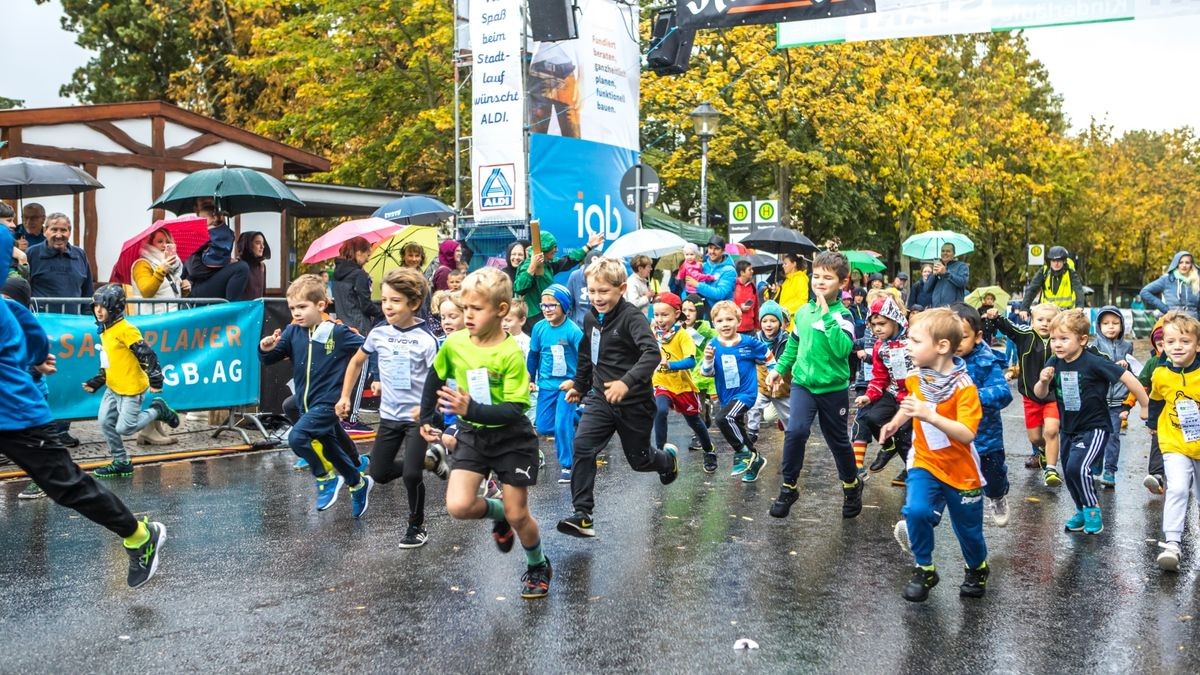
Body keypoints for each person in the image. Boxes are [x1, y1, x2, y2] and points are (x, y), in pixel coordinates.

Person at [0, 224, 165, 587]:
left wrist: (34, 360)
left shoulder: (5, 307)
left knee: (66, 485)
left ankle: (139, 535)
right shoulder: (8, 306)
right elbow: (34, 335)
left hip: (16, 415)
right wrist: (37, 358)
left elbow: (32, 332)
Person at [417, 267, 552, 599]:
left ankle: (538, 564)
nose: (468, 316)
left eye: (476, 309)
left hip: (511, 438)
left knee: (519, 512)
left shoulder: (509, 353)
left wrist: (469, 409)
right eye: (465, 308)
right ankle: (498, 512)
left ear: (501, 311)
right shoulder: (455, 341)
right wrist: (424, 416)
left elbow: (514, 408)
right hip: (474, 435)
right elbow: (436, 375)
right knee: (459, 506)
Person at [558, 257, 680, 538]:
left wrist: (626, 383)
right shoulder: (590, 318)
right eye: (592, 291)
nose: (597, 298)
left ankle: (666, 460)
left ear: (622, 288)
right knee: (583, 446)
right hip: (601, 398)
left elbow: (652, 353)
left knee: (640, 461)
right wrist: (579, 385)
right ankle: (582, 514)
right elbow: (588, 355)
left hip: (634, 402)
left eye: (604, 292)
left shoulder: (632, 317)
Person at [880, 308, 988, 603]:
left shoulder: (964, 388)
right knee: (915, 511)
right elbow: (910, 404)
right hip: (925, 461)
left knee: (969, 531)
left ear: (941, 347)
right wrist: (895, 422)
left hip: (961, 470)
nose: (907, 346)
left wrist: (929, 415)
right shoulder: (917, 377)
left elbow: (967, 433)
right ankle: (924, 567)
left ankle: (977, 568)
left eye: (915, 341)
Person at [337, 268, 440, 546]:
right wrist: (345, 396)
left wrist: (430, 415)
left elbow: (438, 381)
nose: (387, 307)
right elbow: (357, 361)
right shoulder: (379, 332)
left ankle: (417, 526)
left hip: (417, 418)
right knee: (379, 473)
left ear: (414, 304)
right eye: (384, 300)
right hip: (390, 417)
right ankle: (429, 461)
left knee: (410, 474)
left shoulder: (426, 340)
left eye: (395, 301)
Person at [259, 274, 373, 516]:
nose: (296, 313)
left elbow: (367, 347)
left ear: (321, 305)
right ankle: (357, 482)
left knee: (297, 438)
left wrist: (348, 391)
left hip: (328, 403)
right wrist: (265, 347)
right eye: (292, 308)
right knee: (331, 448)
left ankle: (325, 478)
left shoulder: (337, 332)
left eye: (302, 307)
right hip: (305, 403)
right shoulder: (292, 332)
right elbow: (270, 359)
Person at [766, 251, 863, 519]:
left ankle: (851, 485)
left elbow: (843, 349)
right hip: (803, 385)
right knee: (795, 432)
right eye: (816, 276)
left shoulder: (844, 315)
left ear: (842, 283)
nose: (819, 282)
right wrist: (779, 370)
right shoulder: (803, 312)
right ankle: (788, 487)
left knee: (838, 441)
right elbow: (794, 344)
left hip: (833, 389)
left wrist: (827, 316)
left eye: (827, 278)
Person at [1033, 309, 1148, 535]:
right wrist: (1043, 381)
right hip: (1068, 428)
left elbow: (1127, 377)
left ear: (1082, 339)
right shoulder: (1054, 362)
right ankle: (1080, 510)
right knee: (1069, 471)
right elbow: (1039, 393)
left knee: (1079, 467)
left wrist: (1144, 405)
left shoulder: (1093, 362)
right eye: (1054, 339)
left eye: (1064, 339)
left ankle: (1093, 511)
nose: (1057, 344)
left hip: (1094, 427)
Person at [81, 285, 182, 478]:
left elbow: (148, 355)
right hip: (113, 387)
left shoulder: (126, 330)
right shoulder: (104, 330)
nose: (98, 311)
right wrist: (98, 380)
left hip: (131, 389)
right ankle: (121, 461)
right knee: (105, 422)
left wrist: (156, 380)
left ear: (115, 308)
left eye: (103, 306)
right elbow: (109, 360)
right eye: (96, 306)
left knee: (124, 428)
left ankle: (157, 410)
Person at [951, 303, 1014, 527]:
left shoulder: (986, 361)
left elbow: (1004, 393)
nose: (955, 344)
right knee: (940, 482)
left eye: (963, 337)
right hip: (952, 437)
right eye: (950, 336)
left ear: (977, 337)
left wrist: (973, 396)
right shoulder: (939, 360)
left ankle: (998, 497)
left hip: (985, 438)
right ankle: (921, 524)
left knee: (993, 477)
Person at [127, 226, 190, 446]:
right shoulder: (142, 264)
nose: (164, 245)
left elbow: (167, 293)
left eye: (167, 241)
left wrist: (183, 287)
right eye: (159, 241)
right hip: (151, 328)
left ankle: (155, 425)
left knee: (162, 375)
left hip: (168, 326)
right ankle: (146, 428)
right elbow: (146, 290)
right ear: (149, 244)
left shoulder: (174, 268)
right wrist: (162, 270)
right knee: (151, 376)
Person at [986, 303, 1062, 486]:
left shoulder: (1060, 339)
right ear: (1031, 320)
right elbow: (1009, 329)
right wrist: (996, 318)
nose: (1044, 324)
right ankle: (1043, 451)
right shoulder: (1025, 336)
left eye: (1049, 320)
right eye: (1040, 320)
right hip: (1030, 397)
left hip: (1053, 396)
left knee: (1051, 431)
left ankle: (1051, 470)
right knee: (1036, 438)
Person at [1148, 312, 1200, 571]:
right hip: (1174, 441)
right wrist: (1151, 423)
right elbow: (1156, 399)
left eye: (1184, 341)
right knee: (1177, 489)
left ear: (1197, 345)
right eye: (1170, 342)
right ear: (1163, 345)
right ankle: (1172, 543)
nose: (1177, 347)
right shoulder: (1160, 374)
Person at [701, 300, 771, 481]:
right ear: (714, 324)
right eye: (720, 321)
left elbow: (767, 355)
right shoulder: (713, 345)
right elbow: (706, 373)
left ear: (738, 321)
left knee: (723, 418)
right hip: (727, 396)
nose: (725, 324)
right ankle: (756, 459)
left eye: (729, 319)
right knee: (738, 430)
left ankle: (743, 454)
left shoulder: (748, 342)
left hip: (746, 394)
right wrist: (708, 359)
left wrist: (773, 373)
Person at [650, 292, 715, 470]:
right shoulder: (652, 331)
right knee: (660, 410)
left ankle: (709, 450)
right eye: (656, 315)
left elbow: (691, 361)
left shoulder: (684, 335)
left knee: (694, 421)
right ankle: (661, 455)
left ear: (677, 314)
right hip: (661, 381)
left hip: (683, 385)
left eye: (665, 315)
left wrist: (669, 364)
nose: (660, 319)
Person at [853, 294, 913, 485]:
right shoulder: (880, 346)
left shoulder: (913, 339)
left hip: (913, 396)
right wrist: (869, 397)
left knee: (904, 433)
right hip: (893, 392)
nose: (877, 328)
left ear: (895, 320)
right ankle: (888, 446)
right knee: (872, 418)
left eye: (882, 323)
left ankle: (911, 470)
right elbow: (879, 377)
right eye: (874, 324)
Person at [528, 284, 583, 484]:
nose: (547, 309)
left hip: (567, 387)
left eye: (552, 305)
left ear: (565, 306)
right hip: (547, 385)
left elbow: (586, 359)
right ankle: (579, 415)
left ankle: (568, 465)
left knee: (561, 424)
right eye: (544, 305)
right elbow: (533, 355)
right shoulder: (539, 328)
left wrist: (576, 382)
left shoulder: (573, 331)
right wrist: (530, 378)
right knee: (543, 426)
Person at [515, 230, 603, 329]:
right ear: (545, 249)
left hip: (545, 310)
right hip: (532, 317)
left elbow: (569, 260)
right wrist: (532, 267)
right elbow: (519, 288)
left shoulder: (548, 263)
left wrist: (589, 245)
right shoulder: (527, 265)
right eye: (554, 247)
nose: (556, 250)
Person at [1092, 306, 1134, 487]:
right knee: (1097, 434)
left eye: (1115, 323)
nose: (1111, 327)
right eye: (1106, 323)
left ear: (1122, 325)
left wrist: (1126, 366)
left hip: (1118, 400)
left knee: (1113, 436)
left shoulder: (1127, 346)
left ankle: (1110, 471)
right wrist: (1111, 366)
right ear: (1098, 325)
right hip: (1098, 400)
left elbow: (1134, 372)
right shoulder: (1094, 346)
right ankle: (1095, 465)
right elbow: (1092, 369)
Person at [27, 212, 93, 314]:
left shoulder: (79, 254)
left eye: (63, 230)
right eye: (54, 230)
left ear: (69, 232)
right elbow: (23, 289)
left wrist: (88, 317)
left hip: (74, 322)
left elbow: (88, 290)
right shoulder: (32, 254)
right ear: (45, 231)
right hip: (42, 322)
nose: (59, 235)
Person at [185, 198, 249, 301]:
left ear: (214, 217)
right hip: (198, 286)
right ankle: (231, 308)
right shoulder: (202, 235)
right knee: (242, 267)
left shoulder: (217, 233)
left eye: (204, 219)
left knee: (242, 266)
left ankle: (231, 307)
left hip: (205, 281)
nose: (201, 222)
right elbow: (194, 270)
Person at [745, 301, 792, 445]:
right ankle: (752, 431)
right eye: (765, 321)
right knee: (752, 404)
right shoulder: (755, 340)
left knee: (788, 418)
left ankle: (791, 436)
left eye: (773, 320)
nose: (768, 324)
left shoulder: (787, 340)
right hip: (762, 386)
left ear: (780, 322)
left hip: (782, 388)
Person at [681, 293, 718, 449]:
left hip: (701, 373)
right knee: (690, 406)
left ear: (699, 312)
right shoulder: (679, 329)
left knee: (697, 406)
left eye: (691, 310)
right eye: (684, 310)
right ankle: (705, 419)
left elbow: (712, 341)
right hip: (686, 372)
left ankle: (698, 436)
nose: (687, 314)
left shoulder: (705, 329)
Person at [1137, 322, 1170, 495]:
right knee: (1158, 441)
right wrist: (1148, 415)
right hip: (1161, 414)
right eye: (1161, 344)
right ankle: (1156, 475)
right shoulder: (1154, 364)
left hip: (1187, 418)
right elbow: (1143, 387)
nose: (1167, 348)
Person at [331, 237, 383, 336]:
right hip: (360, 328)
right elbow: (366, 306)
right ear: (359, 253)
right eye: (367, 255)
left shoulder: (336, 274)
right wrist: (383, 311)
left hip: (341, 327)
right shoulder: (359, 275)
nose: (367, 260)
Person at [1020, 246, 1085, 318]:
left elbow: (1078, 289)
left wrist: (1079, 306)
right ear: (1049, 262)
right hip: (1047, 313)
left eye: (1059, 261)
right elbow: (1032, 289)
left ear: (1064, 261)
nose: (1056, 264)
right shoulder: (1044, 271)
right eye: (1053, 261)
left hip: (1065, 314)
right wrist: (1024, 308)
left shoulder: (1070, 273)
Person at [1140, 251, 1200, 318]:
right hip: (1173, 322)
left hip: (1193, 323)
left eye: (1187, 262)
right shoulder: (1166, 279)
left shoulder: (1197, 280)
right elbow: (1144, 292)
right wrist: (1166, 309)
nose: (1184, 265)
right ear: (1176, 264)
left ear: (1191, 264)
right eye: (1181, 262)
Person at [687, 235, 736, 307]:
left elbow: (720, 294)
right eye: (710, 248)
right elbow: (688, 288)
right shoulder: (702, 266)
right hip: (702, 312)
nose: (712, 251)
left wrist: (697, 285)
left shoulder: (729, 270)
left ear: (723, 251)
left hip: (721, 313)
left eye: (716, 249)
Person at [566, 248, 603, 327]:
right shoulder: (575, 276)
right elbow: (568, 304)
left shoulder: (606, 278)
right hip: (578, 327)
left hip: (598, 326)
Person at [927, 243, 969, 308]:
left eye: (948, 251)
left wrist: (946, 273)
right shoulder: (937, 267)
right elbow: (926, 289)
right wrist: (933, 275)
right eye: (943, 251)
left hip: (953, 309)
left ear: (954, 253)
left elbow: (962, 282)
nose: (945, 253)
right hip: (936, 309)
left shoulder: (961, 266)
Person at [774, 252, 810, 322]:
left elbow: (802, 301)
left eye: (785, 263)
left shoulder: (801, 279)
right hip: (784, 321)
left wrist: (784, 310)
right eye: (783, 264)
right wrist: (776, 290)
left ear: (794, 264)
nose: (783, 266)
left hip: (793, 322)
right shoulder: (787, 280)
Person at [236, 231, 271, 300]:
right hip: (242, 308)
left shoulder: (262, 266)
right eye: (258, 243)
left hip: (257, 309)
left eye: (263, 243)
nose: (262, 247)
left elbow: (263, 294)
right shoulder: (237, 264)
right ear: (248, 245)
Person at [733, 260, 759, 336]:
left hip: (750, 329)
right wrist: (739, 308)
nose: (752, 271)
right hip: (736, 329)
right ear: (742, 273)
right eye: (749, 269)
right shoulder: (733, 286)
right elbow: (727, 304)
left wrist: (757, 326)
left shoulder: (752, 287)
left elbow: (756, 307)